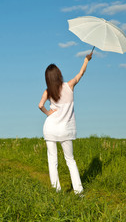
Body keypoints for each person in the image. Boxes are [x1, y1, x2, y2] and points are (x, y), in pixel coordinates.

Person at [38, 52, 92, 195]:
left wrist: (48, 113)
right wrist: (86, 60)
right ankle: (79, 191)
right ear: (59, 74)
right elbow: (81, 73)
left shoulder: (48, 91)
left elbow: (40, 105)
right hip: (65, 129)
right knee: (70, 160)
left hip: (50, 128)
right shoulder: (69, 85)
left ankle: (56, 191)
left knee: (52, 160)